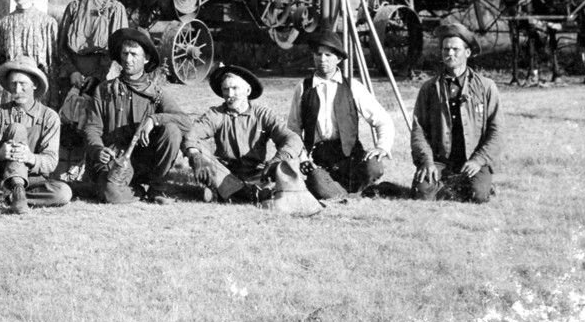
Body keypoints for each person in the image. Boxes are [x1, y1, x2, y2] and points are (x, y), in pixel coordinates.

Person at [82, 27, 190, 204]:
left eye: (134, 54)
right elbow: (92, 127)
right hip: (115, 159)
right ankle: (136, 191)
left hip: (145, 160)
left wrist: (154, 119)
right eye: (124, 54)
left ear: (146, 59)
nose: (128, 59)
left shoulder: (157, 93)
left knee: (172, 130)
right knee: (111, 194)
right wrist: (98, 149)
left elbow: (185, 121)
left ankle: (157, 189)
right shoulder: (104, 90)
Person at [288, 30, 396, 200]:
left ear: (338, 58)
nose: (322, 59)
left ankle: (344, 193)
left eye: (328, 55)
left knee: (374, 167)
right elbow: (293, 128)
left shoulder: (353, 87)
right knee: (318, 182)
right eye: (318, 54)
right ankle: (353, 194)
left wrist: (382, 147)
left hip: (351, 157)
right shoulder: (303, 87)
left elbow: (383, 120)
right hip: (320, 159)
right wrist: (302, 157)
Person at [0, 56, 73, 213]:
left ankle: (7, 196)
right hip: (3, 176)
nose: (17, 89)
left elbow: (51, 161)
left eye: (23, 84)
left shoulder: (49, 117)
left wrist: (30, 157)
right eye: (13, 84)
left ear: (34, 85)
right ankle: (16, 191)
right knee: (16, 129)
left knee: (63, 193)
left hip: (33, 178)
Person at [411, 21, 503, 203]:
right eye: (446, 49)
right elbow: (418, 130)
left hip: (472, 160)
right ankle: (450, 185)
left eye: (455, 49)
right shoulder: (429, 88)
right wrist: (427, 162)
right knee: (422, 194)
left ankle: (480, 186)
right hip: (440, 161)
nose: (450, 54)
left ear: (467, 53)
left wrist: (478, 160)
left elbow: (497, 131)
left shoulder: (486, 87)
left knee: (477, 196)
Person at [185, 64, 304, 204]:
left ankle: (229, 193)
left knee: (288, 161)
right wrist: (195, 155)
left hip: (257, 174)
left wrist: (276, 161)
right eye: (225, 89)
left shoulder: (263, 114)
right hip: (224, 172)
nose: (230, 95)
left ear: (248, 90)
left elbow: (292, 139)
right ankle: (245, 193)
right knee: (199, 152)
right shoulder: (216, 114)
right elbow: (192, 135)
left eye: (235, 88)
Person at [54, 0, 129, 105]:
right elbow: (61, 47)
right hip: (73, 80)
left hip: (103, 79)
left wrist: (97, 77)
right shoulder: (74, 7)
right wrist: (72, 72)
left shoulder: (115, 9)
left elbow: (118, 50)